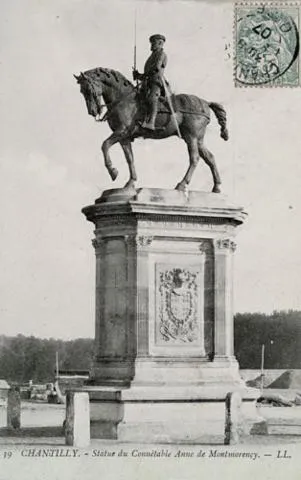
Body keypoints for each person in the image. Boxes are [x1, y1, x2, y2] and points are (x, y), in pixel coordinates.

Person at [133, 34, 167, 130]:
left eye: (154, 43)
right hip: (147, 83)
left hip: (156, 82)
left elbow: (156, 68)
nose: (151, 45)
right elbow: (147, 74)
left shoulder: (161, 54)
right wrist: (138, 75)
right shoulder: (152, 56)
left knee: (152, 98)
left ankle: (151, 123)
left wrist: (143, 75)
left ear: (160, 43)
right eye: (151, 43)